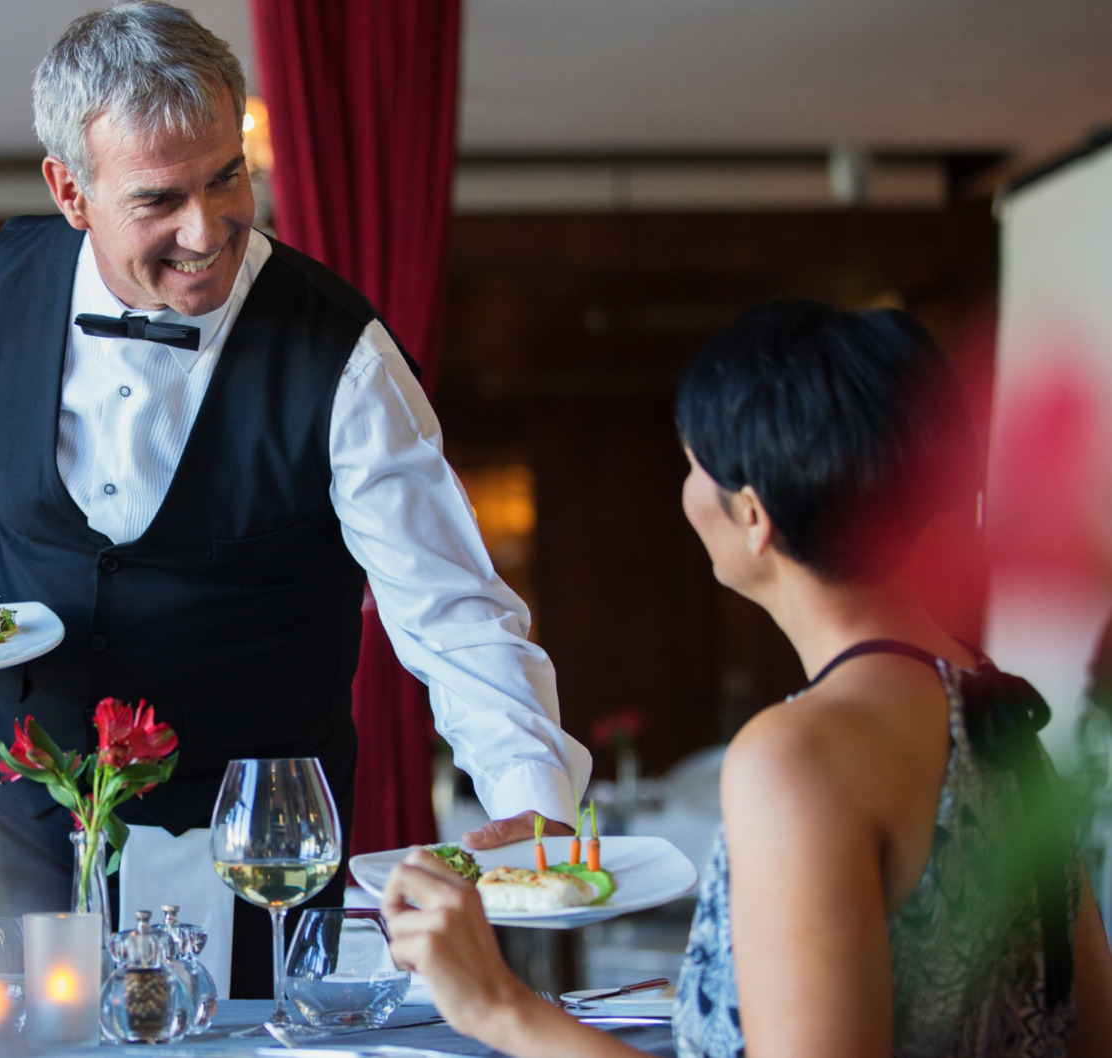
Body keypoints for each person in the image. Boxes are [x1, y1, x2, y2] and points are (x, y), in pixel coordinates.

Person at [0, 0, 588, 992]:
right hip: (28, 813)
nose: (206, 229)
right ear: (70, 190)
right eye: (158, 199)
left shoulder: (339, 354)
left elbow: (448, 603)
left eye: (227, 176)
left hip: (261, 841)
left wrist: (532, 796)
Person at [382, 300, 1112, 1058]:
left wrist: (497, 1006)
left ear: (754, 515)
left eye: (694, 464)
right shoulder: (996, 713)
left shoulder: (798, 758)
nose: (687, 490)